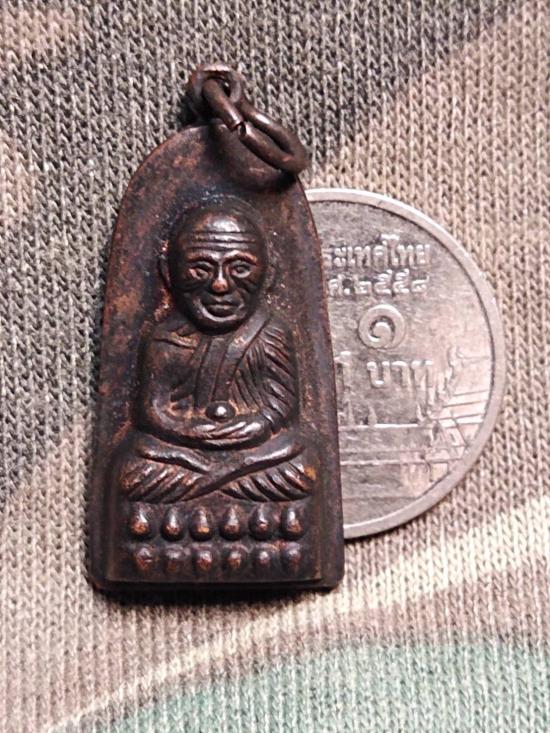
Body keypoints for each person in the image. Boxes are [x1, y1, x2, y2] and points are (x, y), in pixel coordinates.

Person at [114, 199, 317, 503]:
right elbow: (152, 411)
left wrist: (257, 425)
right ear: (169, 273)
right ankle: (219, 484)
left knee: (299, 461)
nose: (220, 284)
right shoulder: (165, 337)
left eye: (240, 268)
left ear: (269, 274)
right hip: (183, 453)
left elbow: (281, 406)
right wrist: (190, 430)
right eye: (201, 268)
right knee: (134, 464)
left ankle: (208, 486)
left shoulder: (270, 333)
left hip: (255, 454)